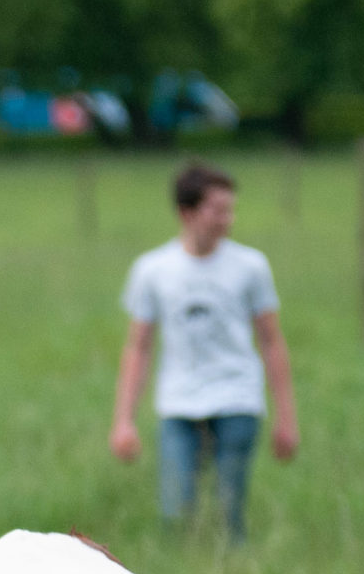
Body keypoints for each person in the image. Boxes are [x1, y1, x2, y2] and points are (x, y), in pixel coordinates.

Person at [108, 161, 299, 543]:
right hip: (179, 404)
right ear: (187, 212)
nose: (227, 219)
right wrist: (123, 420)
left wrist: (286, 418)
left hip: (237, 399)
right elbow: (139, 346)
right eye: (218, 210)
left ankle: (233, 571)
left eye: (230, 209)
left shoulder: (251, 266)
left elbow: (272, 341)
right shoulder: (153, 270)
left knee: (229, 512)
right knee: (176, 513)